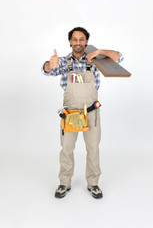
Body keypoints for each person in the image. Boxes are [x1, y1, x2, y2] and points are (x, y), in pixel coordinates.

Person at [42, 27, 124, 199]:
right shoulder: (63, 62)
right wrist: (50, 64)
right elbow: (46, 71)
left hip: (91, 112)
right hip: (70, 113)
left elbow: (119, 57)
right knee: (66, 149)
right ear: (70, 42)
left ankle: (93, 184)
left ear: (86, 41)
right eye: (74, 39)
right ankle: (64, 183)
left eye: (81, 39)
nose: (78, 42)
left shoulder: (97, 60)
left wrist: (100, 51)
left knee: (93, 149)